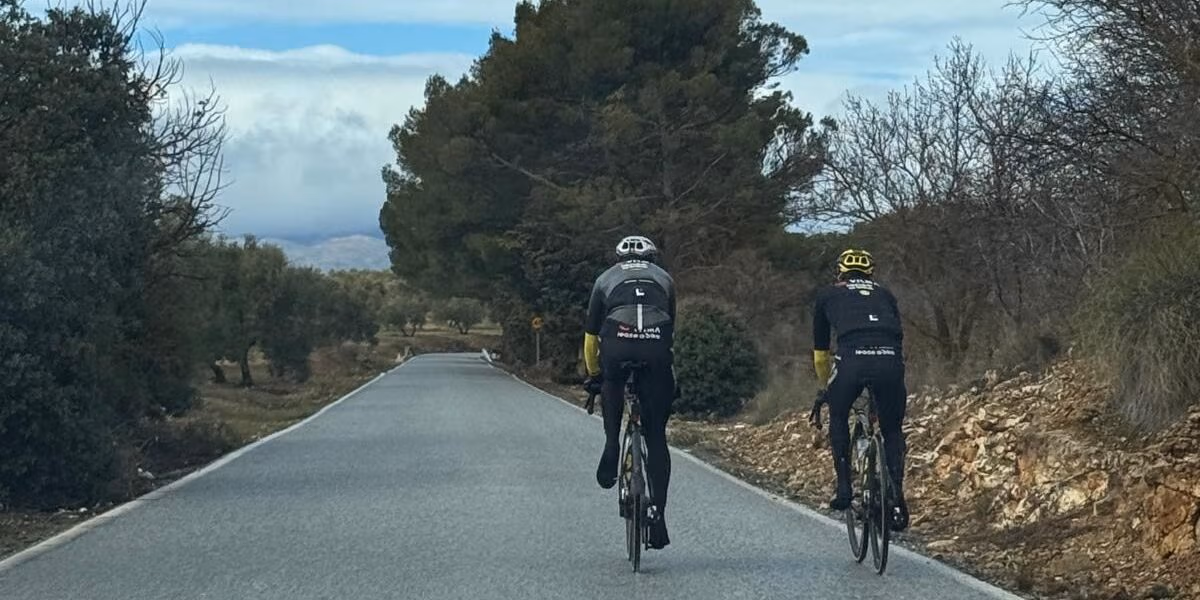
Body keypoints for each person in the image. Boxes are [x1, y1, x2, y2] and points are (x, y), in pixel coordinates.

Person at [582, 235, 677, 549]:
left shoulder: (604, 279)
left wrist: (595, 375)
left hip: (617, 346)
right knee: (656, 437)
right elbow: (670, 330)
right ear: (653, 257)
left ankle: (611, 445)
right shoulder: (665, 280)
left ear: (618, 258)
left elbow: (591, 338)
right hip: (656, 351)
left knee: (611, 382)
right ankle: (659, 520)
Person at [807, 248, 910, 531]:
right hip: (890, 360)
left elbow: (820, 354)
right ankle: (896, 496)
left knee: (839, 415)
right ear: (870, 273)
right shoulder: (885, 293)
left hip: (852, 360)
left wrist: (824, 386)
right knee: (892, 430)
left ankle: (843, 488)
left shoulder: (828, 294)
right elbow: (897, 334)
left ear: (839, 271)